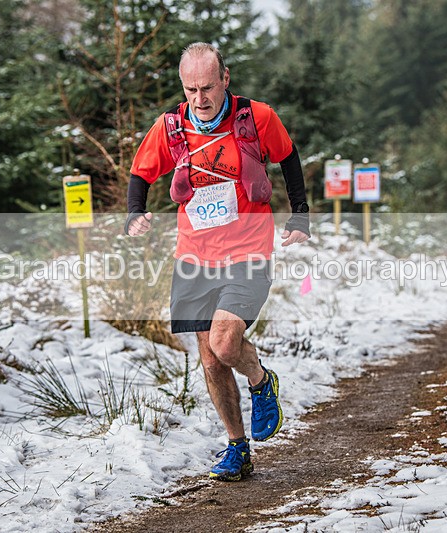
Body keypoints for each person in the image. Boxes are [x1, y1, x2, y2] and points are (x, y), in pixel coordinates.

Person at [125, 43, 310, 481]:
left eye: (208, 87)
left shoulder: (257, 117)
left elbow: (288, 158)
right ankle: (237, 448)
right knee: (209, 361)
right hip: (194, 257)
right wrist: (135, 212)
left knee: (227, 345)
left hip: (249, 251)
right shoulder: (170, 127)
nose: (200, 98)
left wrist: (300, 213)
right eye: (191, 89)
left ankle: (261, 381)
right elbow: (140, 173)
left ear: (225, 79)